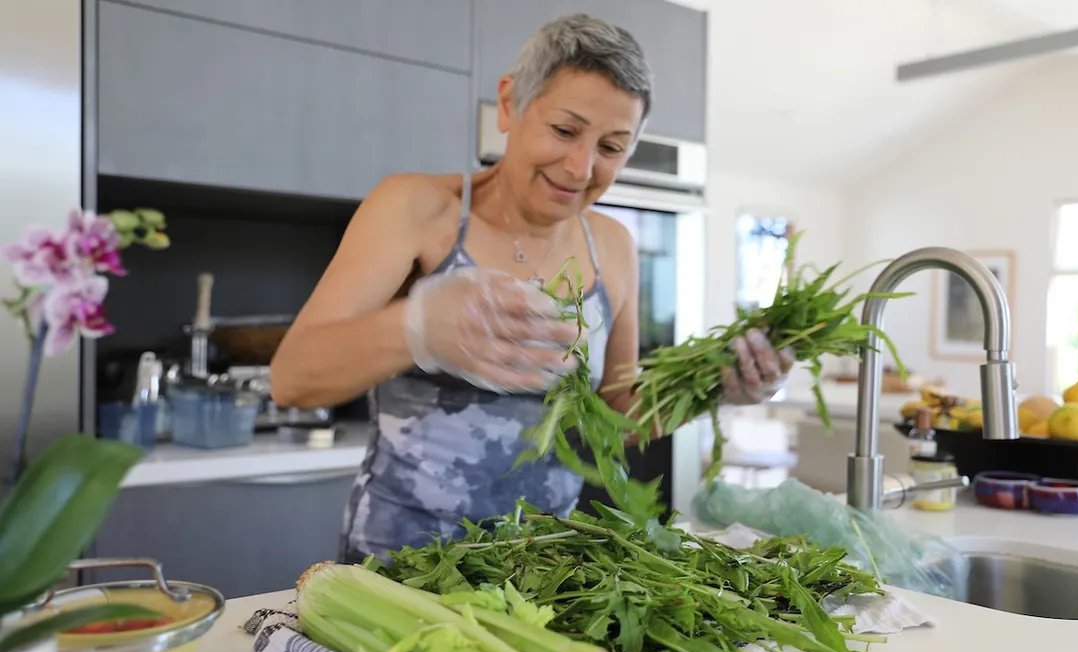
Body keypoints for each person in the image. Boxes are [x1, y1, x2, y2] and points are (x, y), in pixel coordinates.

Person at [269, 14, 795, 563]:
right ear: (509, 103)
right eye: (565, 131)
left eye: (611, 147)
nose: (580, 167)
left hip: (541, 570)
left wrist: (716, 386)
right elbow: (292, 379)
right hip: (399, 568)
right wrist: (416, 327)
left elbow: (615, 415)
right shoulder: (416, 210)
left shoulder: (612, 247)